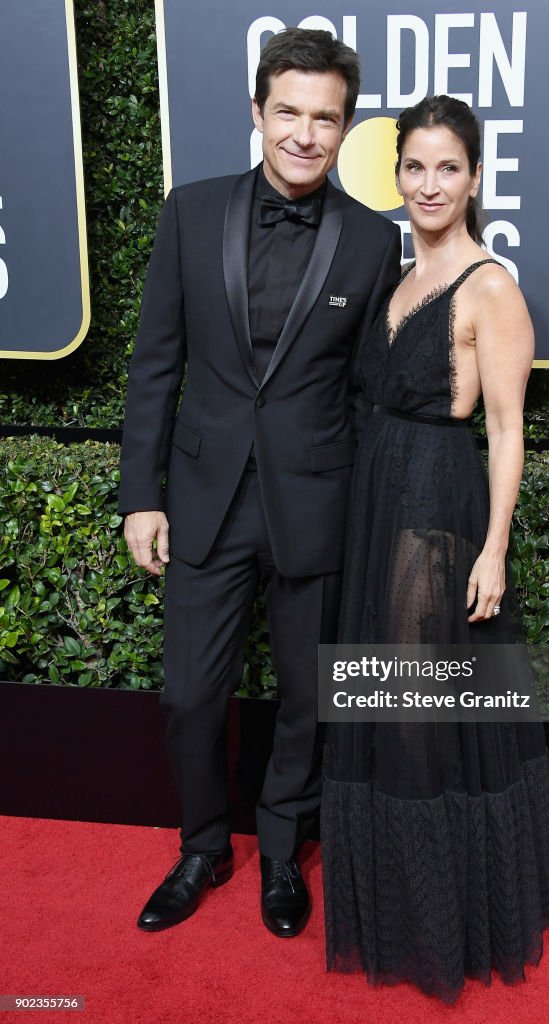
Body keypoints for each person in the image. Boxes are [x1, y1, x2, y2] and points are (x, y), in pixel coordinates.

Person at [118, 28, 402, 937]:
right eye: (289, 112)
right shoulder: (189, 213)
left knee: (305, 697)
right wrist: (141, 495)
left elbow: (367, 392)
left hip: (315, 505)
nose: (306, 134)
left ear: (345, 126)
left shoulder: (370, 241)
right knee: (189, 695)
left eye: (326, 117)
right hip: (203, 502)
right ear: (257, 113)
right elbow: (155, 366)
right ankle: (202, 847)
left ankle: (282, 849)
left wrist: (367, 518)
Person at [321, 95, 549, 1001]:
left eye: (447, 168)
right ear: (398, 176)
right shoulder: (395, 274)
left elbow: (505, 429)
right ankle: (399, 904)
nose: (429, 184)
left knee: (418, 705)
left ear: (473, 177)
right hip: (375, 496)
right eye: (414, 167)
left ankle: (440, 926)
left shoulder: (489, 287)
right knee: (382, 702)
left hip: (432, 501)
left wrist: (494, 547)